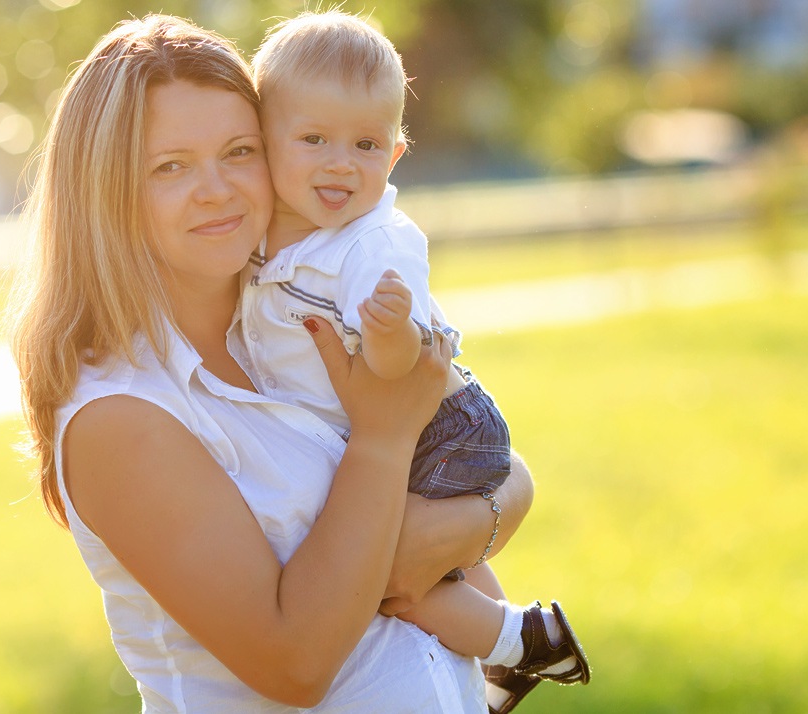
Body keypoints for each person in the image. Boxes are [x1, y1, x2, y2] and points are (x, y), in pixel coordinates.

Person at [8, 13, 539, 713]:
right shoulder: (122, 414)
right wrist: (384, 442)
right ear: (103, 193)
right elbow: (295, 664)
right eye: (171, 166)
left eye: (239, 151)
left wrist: (475, 519)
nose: (217, 188)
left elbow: (493, 459)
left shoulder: (292, 308)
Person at [246, 10, 589, 713]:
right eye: (313, 139)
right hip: (412, 422)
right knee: (422, 559)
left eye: (366, 144)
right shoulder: (274, 233)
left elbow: (404, 369)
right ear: (264, 140)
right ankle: (509, 639)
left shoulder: (373, 244)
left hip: (440, 423)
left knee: (380, 575)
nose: (341, 163)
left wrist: (389, 331)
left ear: (396, 154)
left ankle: (522, 642)